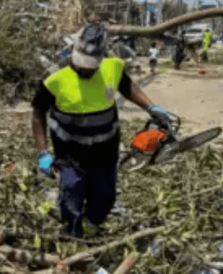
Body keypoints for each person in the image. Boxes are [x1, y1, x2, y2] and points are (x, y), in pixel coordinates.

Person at [31, 24, 170, 238]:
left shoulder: (112, 67)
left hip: (105, 152)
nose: (85, 70)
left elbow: (127, 87)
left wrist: (151, 107)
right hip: (70, 155)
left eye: (91, 67)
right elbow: (38, 113)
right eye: (81, 65)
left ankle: (90, 226)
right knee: (71, 197)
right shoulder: (54, 77)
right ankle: (72, 237)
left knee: (105, 196)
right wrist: (43, 153)